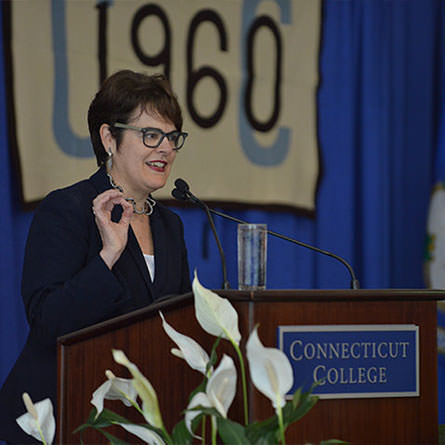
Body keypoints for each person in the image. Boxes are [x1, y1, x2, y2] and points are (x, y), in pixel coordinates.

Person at [0, 70, 191, 443]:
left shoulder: (170, 226)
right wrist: (109, 255)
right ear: (109, 138)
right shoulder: (68, 209)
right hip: (63, 419)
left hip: (140, 422)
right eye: (151, 135)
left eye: (172, 137)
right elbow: (46, 322)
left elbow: (177, 325)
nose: (166, 149)